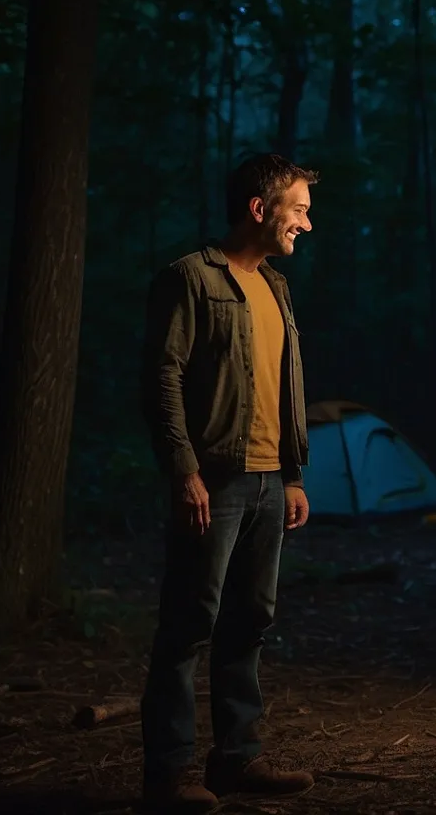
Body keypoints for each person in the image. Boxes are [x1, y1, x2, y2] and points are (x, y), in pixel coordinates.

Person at [139, 153, 318, 811]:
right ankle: (167, 773)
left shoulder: (276, 287)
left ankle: (236, 759)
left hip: (271, 482)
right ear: (259, 208)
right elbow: (161, 380)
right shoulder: (189, 278)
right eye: (298, 209)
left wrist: (292, 475)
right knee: (188, 624)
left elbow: (284, 385)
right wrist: (183, 472)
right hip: (214, 481)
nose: (306, 222)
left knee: (251, 621)